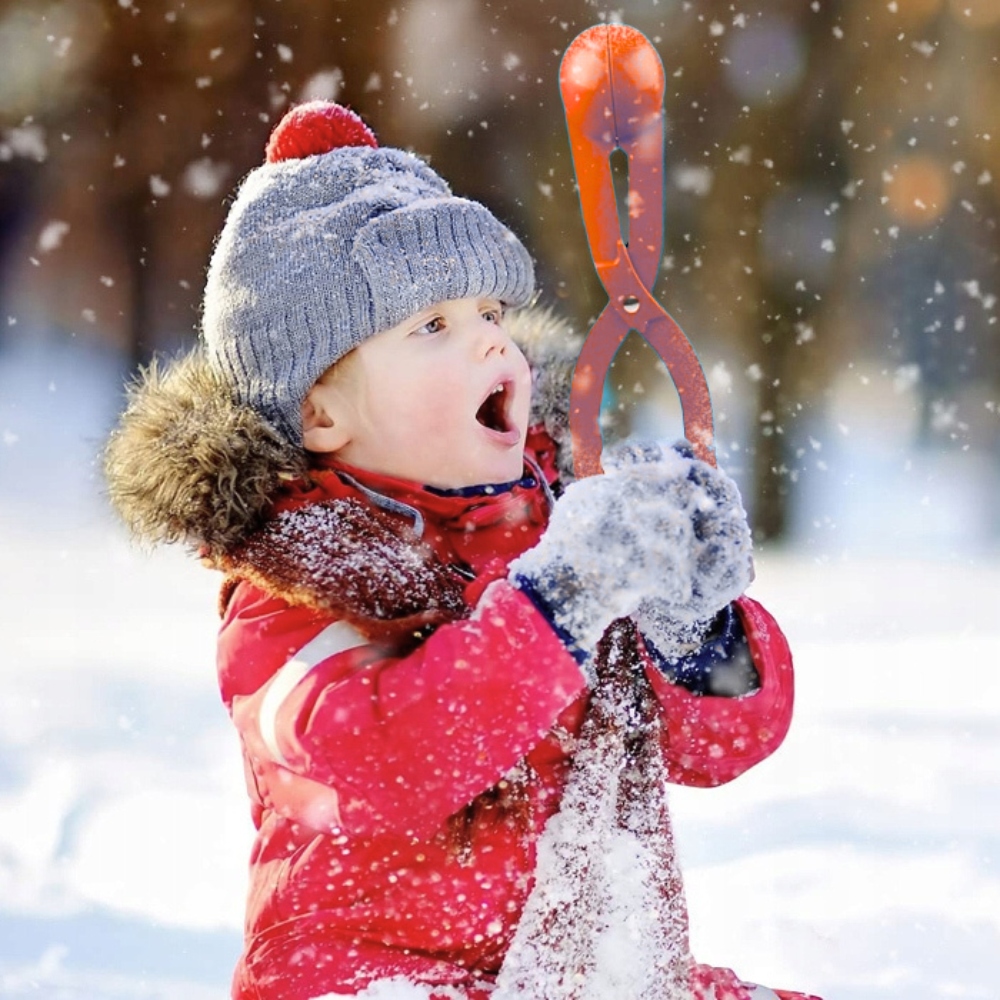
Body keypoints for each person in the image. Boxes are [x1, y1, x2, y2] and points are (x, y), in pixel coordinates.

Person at [104, 101, 818, 1000]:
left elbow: (720, 746)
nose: (491, 338)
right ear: (320, 413)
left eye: (488, 309)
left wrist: (696, 623)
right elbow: (392, 763)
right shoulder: (286, 602)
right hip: (368, 981)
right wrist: (557, 604)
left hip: (586, 973)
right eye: (431, 326)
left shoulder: (565, 528)